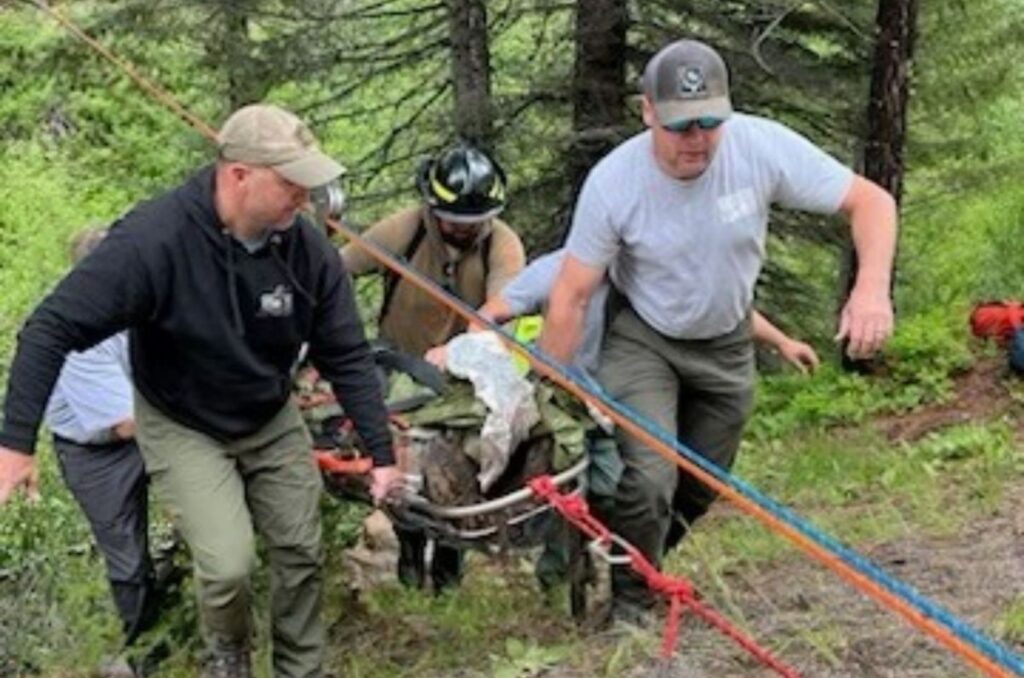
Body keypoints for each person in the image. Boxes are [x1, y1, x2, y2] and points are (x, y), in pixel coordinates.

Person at [0, 104, 400, 678]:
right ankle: (228, 655)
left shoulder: (303, 248)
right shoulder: (153, 241)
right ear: (239, 175)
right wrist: (15, 446)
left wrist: (380, 452)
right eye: (291, 184)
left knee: (299, 548)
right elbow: (49, 328)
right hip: (182, 420)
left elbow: (346, 354)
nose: (304, 200)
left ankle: (300, 670)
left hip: (267, 412)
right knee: (228, 564)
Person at [538, 39, 897, 622]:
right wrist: (548, 392)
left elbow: (870, 202)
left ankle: (634, 559)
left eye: (710, 122)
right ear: (648, 111)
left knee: (701, 485)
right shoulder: (614, 183)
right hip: (644, 339)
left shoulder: (759, 147)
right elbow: (571, 295)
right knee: (649, 478)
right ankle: (631, 606)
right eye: (681, 125)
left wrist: (871, 288)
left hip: (726, 342)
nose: (697, 138)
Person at [340, 143, 526, 593]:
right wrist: (338, 336)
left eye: (475, 222)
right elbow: (338, 268)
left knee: (454, 470)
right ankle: (407, 549)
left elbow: (507, 307)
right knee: (403, 470)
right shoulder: (406, 229)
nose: (464, 231)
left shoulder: (502, 244)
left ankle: (448, 564)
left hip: (463, 378)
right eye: (454, 222)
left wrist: (467, 347)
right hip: (398, 371)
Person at [43, 227, 158, 674]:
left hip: (156, 424)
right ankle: (142, 654)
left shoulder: (150, 301)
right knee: (128, 559)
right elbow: (126, 424)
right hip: (98, 453)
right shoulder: (76, 329)